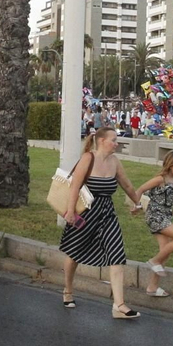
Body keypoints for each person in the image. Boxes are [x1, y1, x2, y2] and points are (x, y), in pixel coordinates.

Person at [58, 127, 141, 317]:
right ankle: (68, 290)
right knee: (74, 252)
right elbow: (75, 186)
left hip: (107, 214)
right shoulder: (88, 158)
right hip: (85, 214)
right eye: (113, 140)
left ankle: (119, 305)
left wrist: (137, 202)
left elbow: (127, 185)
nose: (116, 143)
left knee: (116, 254)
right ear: (102, 141)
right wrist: (70, 211)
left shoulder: (115, 162)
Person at [134, 152, 173, 297]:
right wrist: (136, 205)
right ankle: (154, 260)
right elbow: (140, 189)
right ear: (170, 165)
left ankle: (152, 287)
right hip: (155, 216)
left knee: (165, 251)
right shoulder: (160, 179)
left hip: (166, 216)